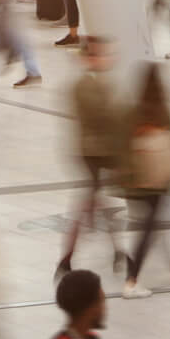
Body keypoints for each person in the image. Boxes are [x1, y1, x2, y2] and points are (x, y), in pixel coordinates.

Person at [56, 38, 122, 281]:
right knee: (87, 204)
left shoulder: (99, 83)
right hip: (93, 153)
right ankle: (66, 258)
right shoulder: (84, 86)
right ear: (88, 58)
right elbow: (100, 117)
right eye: (100, 55)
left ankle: (117, 250)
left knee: (95, 203)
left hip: (97, 151)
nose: (106, 59)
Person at [116, 63, 170, 300]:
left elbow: (121, 145)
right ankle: (131, 280)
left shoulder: (134, 113)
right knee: (149, 229)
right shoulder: (164, 113)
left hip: (136, 182)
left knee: (151, 226)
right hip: (158, 180)